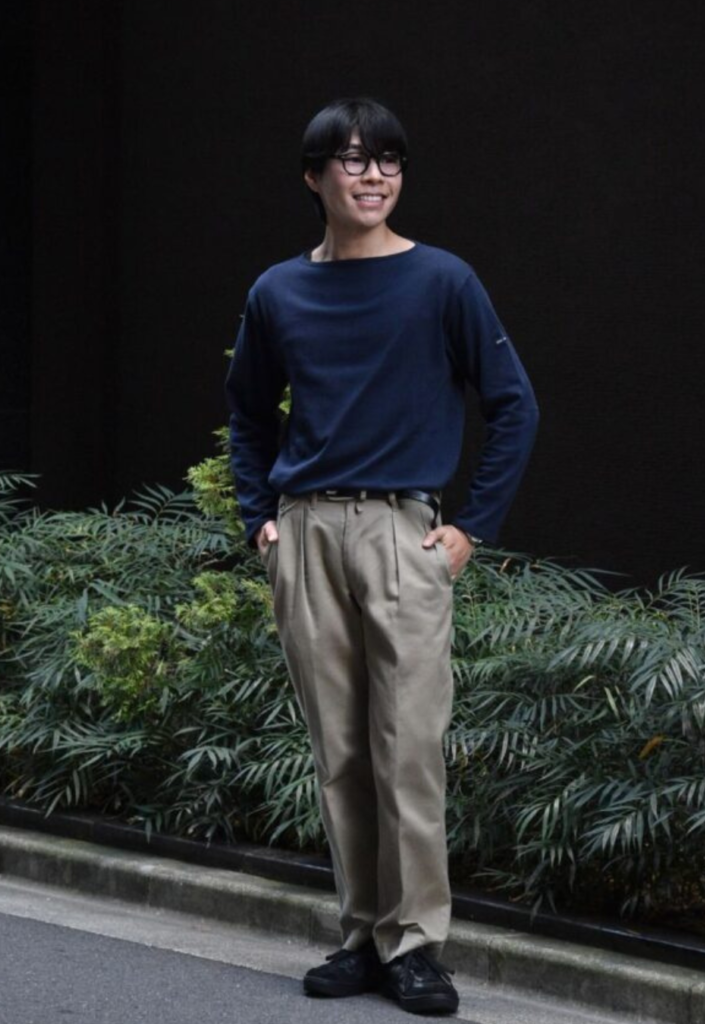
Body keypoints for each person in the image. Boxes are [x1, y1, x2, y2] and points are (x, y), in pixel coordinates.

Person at [225, 97, 538, 1016]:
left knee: (408, 749)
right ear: (313, 176)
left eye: (388, 160)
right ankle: (360, 935)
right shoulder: (277, 291)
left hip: (404, 533)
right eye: (353, 159)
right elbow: (248, 411)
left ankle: (415, 947)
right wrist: (258, 519)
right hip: (306, 534)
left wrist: (470, 528)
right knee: (339, 751)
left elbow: (513, 404)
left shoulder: (442, 280)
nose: (373, 176)